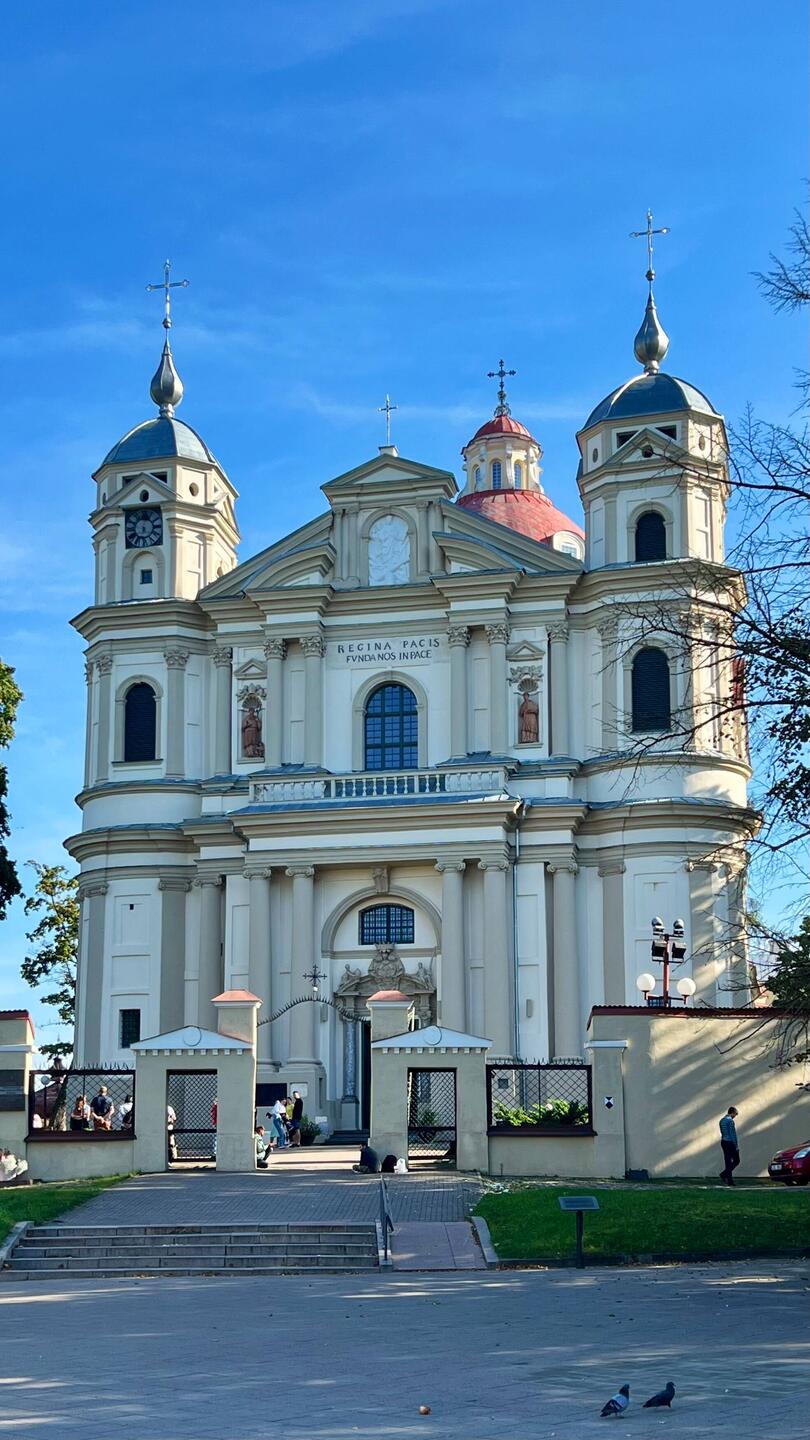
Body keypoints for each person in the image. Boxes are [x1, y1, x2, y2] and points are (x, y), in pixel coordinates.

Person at [719, 1105, 741, 1186]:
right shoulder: (730, 1121)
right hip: (730, 1142)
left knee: (727, 1161)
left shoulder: (721, 1120)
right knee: (736, 1160)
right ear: (732, 1113)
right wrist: (736, 1146)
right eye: (735, 1114)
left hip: (723, 1142)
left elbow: (722, 1132)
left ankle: (729, 1180)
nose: (735, 1116)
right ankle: (724, 1175)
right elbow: (733, 1134)